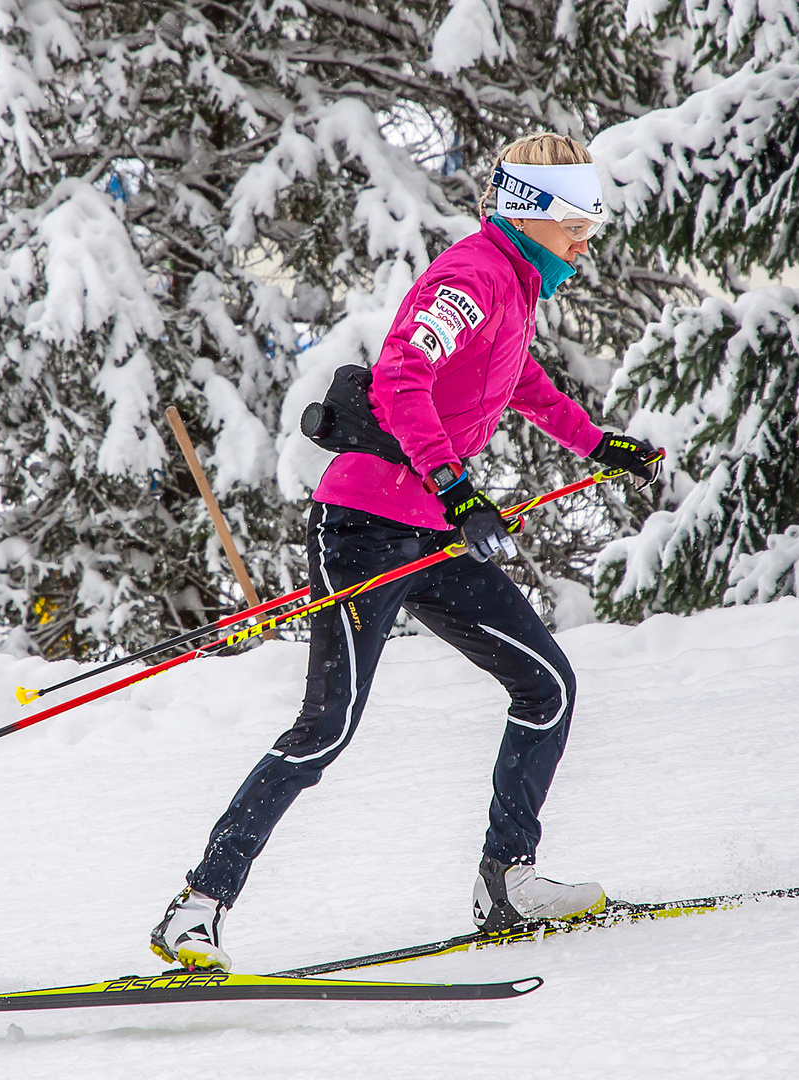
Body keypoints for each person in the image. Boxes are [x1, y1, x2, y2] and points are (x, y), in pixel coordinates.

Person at [150, 133, 666, 972]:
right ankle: (197, 907)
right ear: (534, 215)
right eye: (578, 224)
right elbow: (398, 378)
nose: (587, 242)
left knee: (546, 687)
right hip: (363, 529)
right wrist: (459, 488)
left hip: (432, 531)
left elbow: (520, 382)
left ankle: (507, 880)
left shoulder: (516, 287)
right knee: (326, 727)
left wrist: (595, 444)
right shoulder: (471, 276)